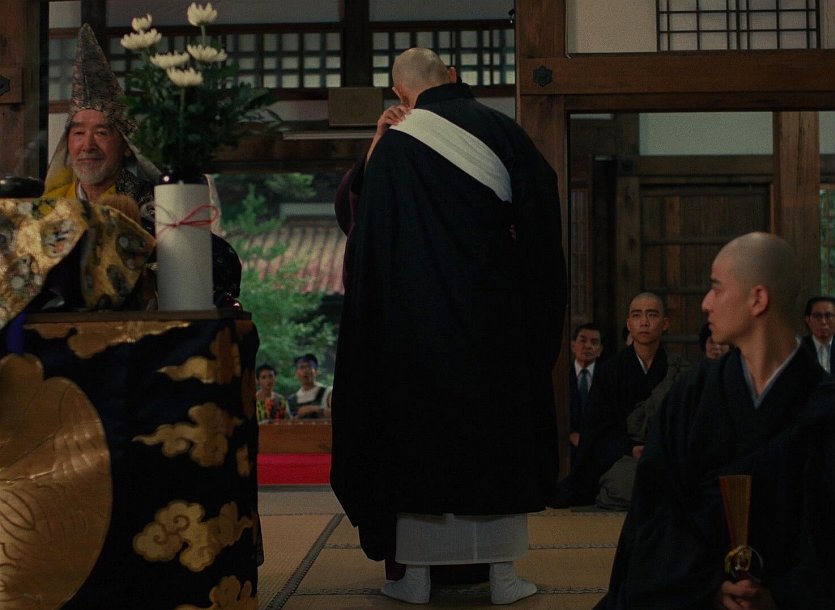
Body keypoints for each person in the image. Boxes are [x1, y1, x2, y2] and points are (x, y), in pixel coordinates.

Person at [330, 47, 566, 605]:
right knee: (495, 440)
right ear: (453, 77)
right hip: (493, 324)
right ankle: (504, 577)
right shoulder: (504, 132)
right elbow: (540, 222)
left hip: (415, 332)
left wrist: (375, 147)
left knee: (419, 444)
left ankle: (415, 578)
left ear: (400, 93)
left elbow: (364, 238)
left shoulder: (393, 148)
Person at [597, 232, 835, 609]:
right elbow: (654, 511)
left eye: (717, 288)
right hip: (691, 595)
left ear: (757, 299)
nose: (706, 302)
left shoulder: (824, 407)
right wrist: (709, 586)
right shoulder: (692, 395)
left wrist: (781, 595)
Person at [41, 24, 242, 307]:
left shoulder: (153, 205)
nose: (87, 145)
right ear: (67, 144)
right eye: (78, 133)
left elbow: (215, 265)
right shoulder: (48, 206)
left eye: (102, 133)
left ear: (126, 145)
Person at [553, 292, 688, 508]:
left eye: (652, 315)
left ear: (665, 324)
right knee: (633, 483)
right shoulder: (610, 372)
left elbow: (687, 425)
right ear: (629, 324)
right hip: (623, 457)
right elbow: (596, 431)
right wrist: (630, 448)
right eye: (637, 315)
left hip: (665, 455)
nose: (644, 322)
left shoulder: (678, 370)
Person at [568, 323, 603, 455]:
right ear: (573, 346)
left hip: (598, 445)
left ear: (599, 351)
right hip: (565, 445)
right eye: (583, 341)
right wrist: (570, 433)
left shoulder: (607, 377)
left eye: (594, 343)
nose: (588, 346)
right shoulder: (562, 377)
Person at [286, 354, 332, 420]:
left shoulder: (328, 392)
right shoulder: (291, 400)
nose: (305, 371)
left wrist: (315, 409)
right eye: (301, 367)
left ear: (316, 372)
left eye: (309, 367)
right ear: (296, 374)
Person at [800, 295, 835, 373]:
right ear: (808, 320)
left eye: (829, 316)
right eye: (817, 316)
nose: (823, 322)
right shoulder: (797, 350)